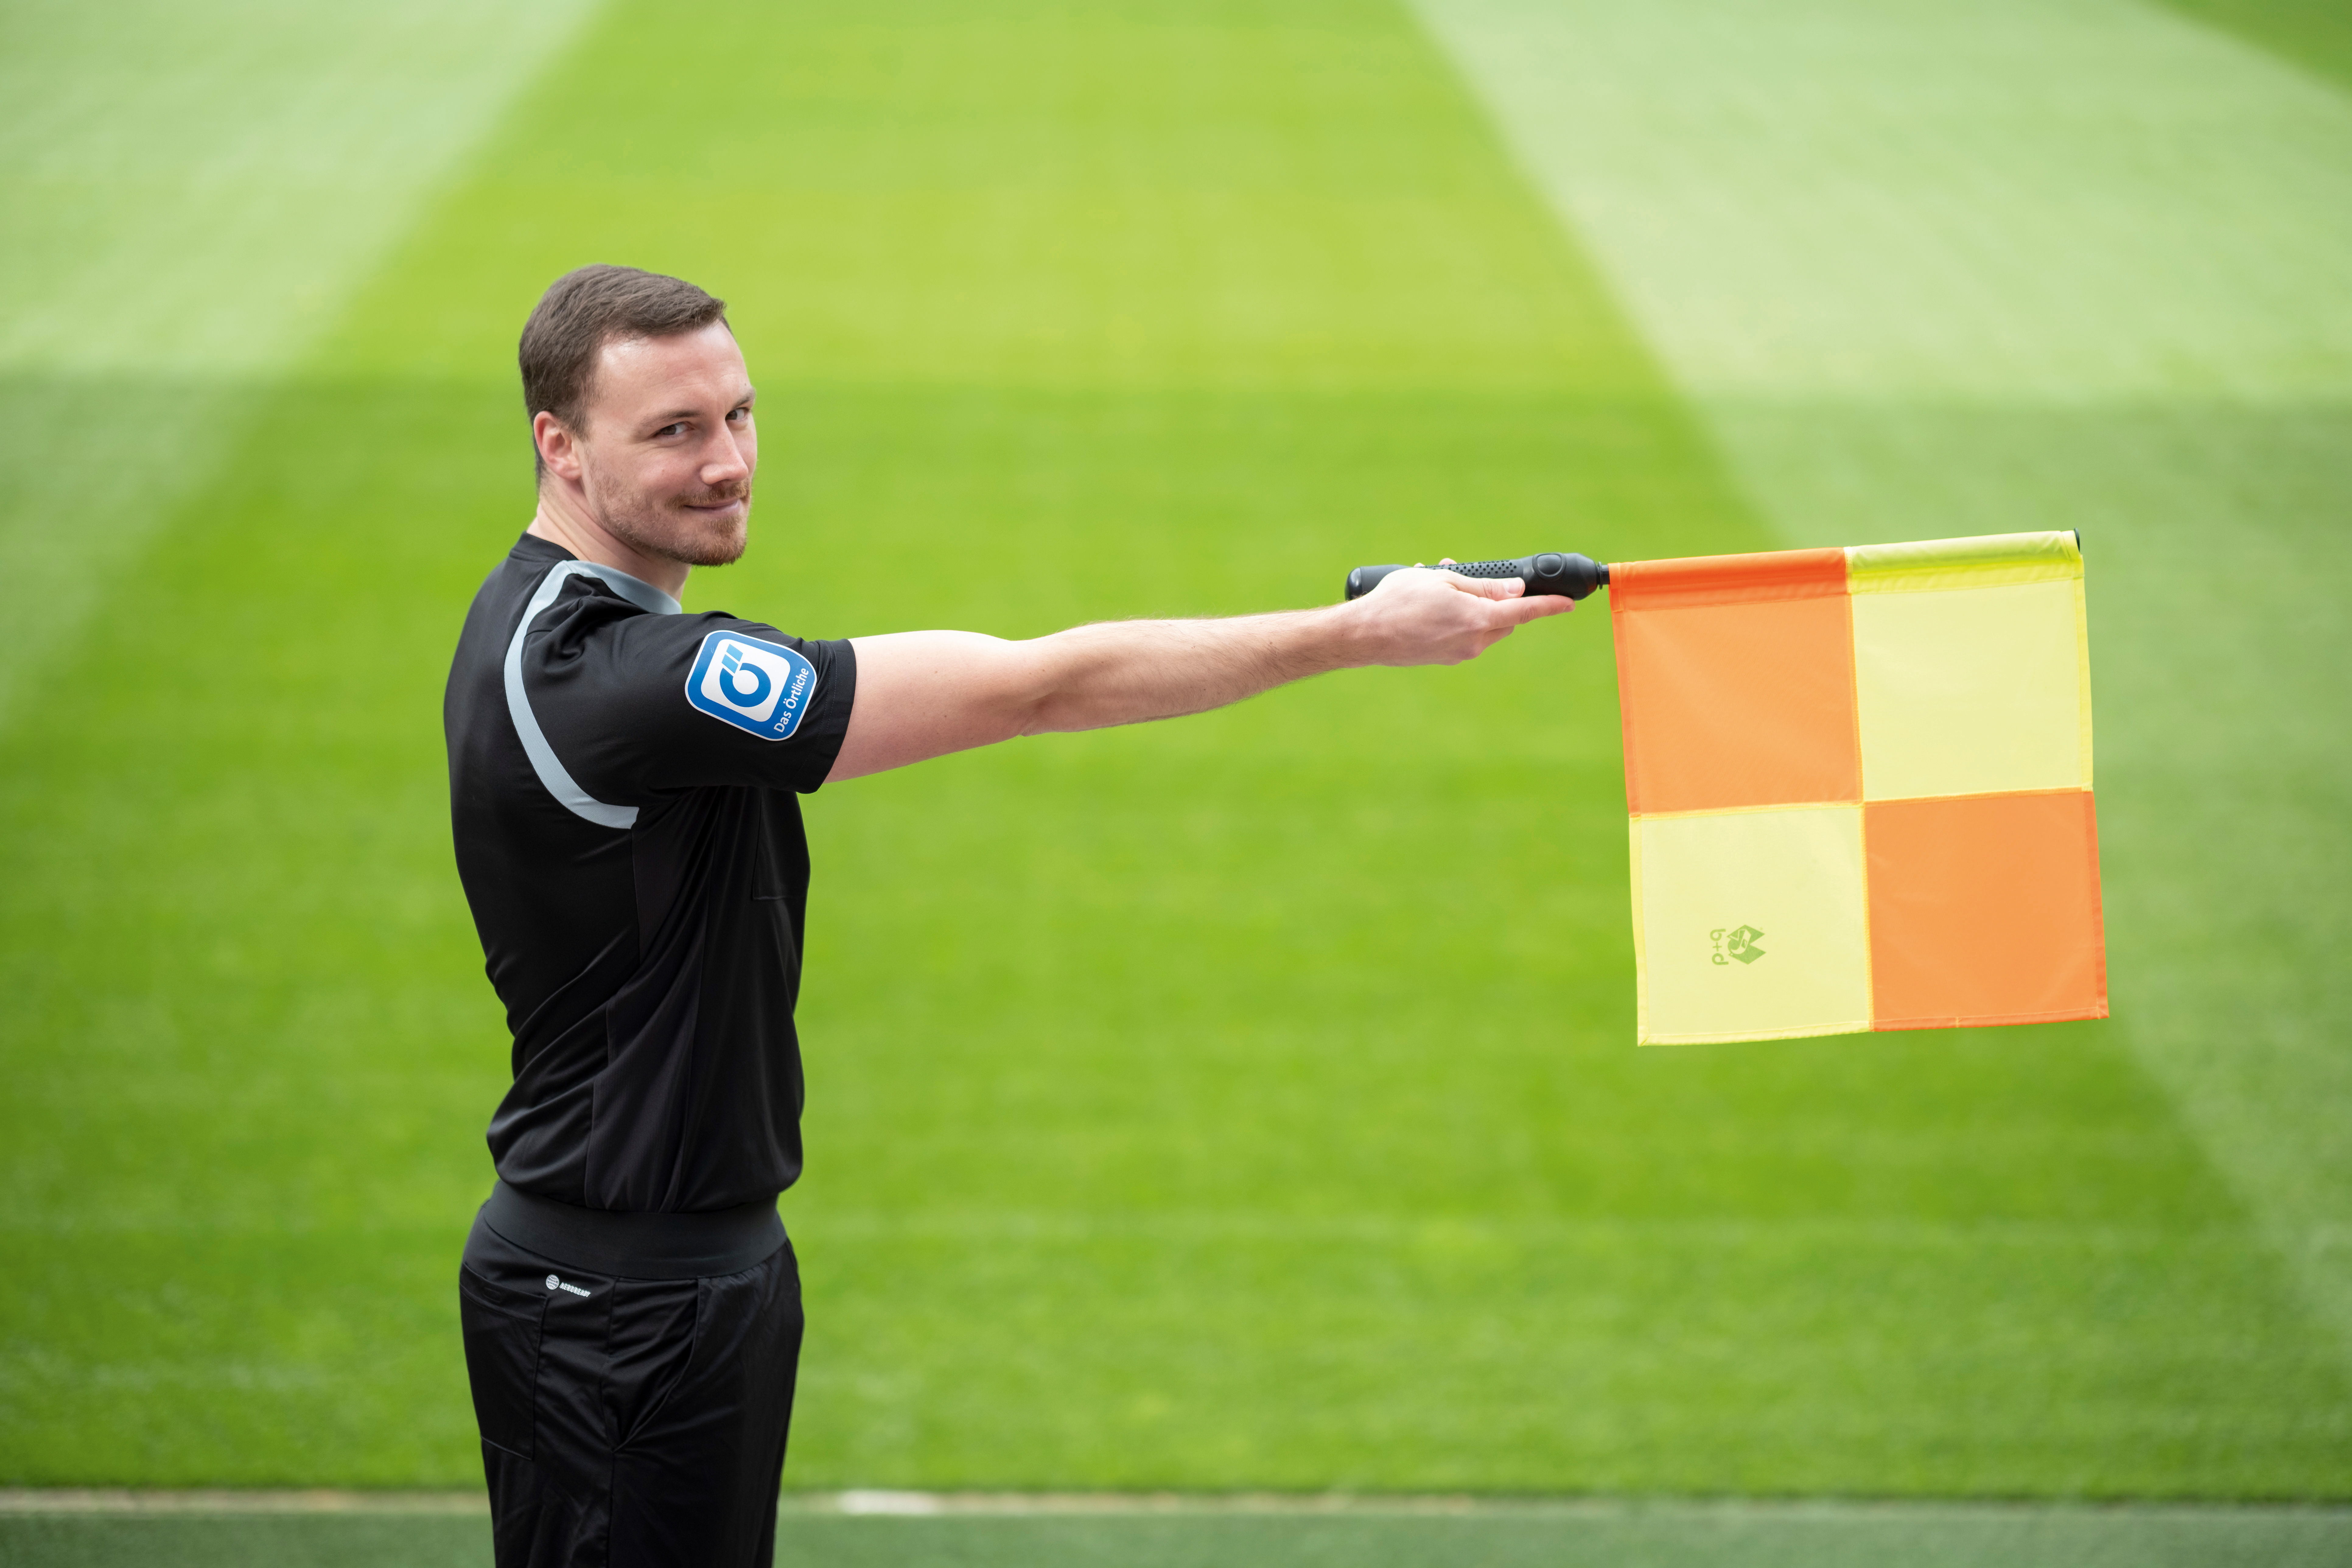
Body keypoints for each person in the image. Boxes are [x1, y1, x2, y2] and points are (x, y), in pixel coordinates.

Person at [442, 263, 1572, 1566]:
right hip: (618, 1302)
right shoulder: (622, 680)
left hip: (667, 1274)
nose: (729, 462)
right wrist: (1354, 634)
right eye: (675, 432)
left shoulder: (542, 620)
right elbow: (1035, 688)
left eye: (741, 414)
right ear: (560, 447)